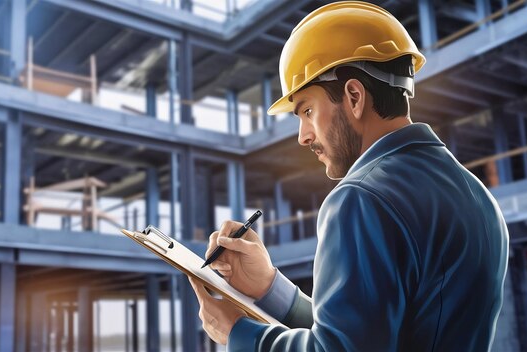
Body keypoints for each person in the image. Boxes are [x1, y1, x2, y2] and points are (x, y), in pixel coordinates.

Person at [188, 1, 509, 351]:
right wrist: (269, 288)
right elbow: (366, 337)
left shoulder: (361, 198)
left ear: (354, 96)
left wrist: (238, 332)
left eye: (307, 110)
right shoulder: (478, 197)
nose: (303, 136)